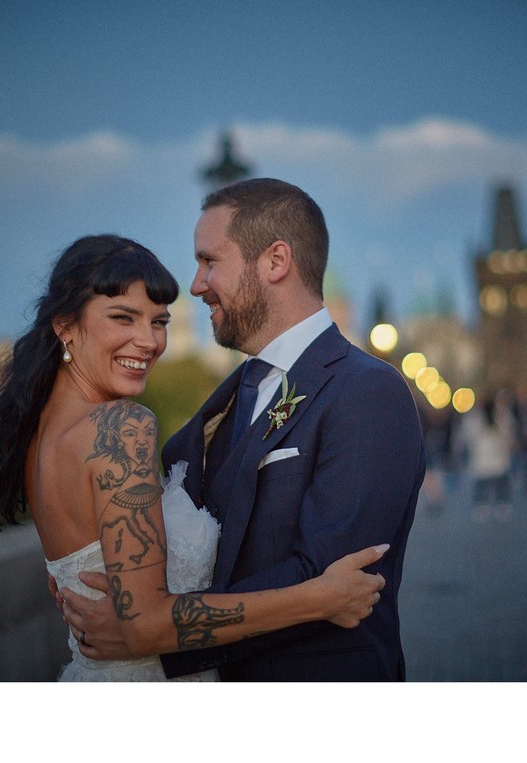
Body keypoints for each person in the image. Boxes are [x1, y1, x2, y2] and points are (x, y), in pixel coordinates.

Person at [0, 234, 388, 681]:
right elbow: (147, 626)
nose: (148, 341)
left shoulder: (41, 433)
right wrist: (320, 598)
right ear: (65, 325)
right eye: (123, 318)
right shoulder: (121, 428)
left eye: (159, 322)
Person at [61, 179, 426, 681]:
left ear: (276, 261)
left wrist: (150, 636)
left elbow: (333, 580)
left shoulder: (367, 392)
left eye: (210, 261)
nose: (195, 283)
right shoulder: (228, 397)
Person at [460, 395, 515, 522]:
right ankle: (497, 504)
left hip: (485, 456)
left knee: (486, 482)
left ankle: (485, 505)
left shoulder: (498, 417)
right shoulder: (501, 417)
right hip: (493, 456)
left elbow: (467, 435)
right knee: (496, 482)